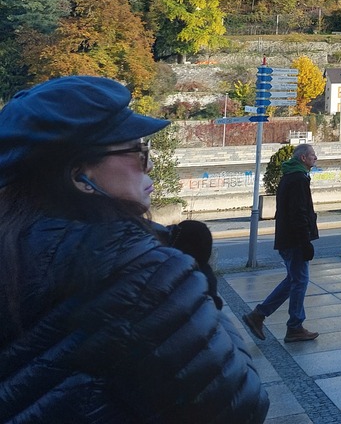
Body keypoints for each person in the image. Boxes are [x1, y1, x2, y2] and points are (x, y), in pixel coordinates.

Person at [0, 75, 269, 424]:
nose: (150, 165)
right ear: (80, 175)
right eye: (138, 152)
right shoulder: (146, 274)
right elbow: (242, 406)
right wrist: (200, 285)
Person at [243, 143, 321, 343]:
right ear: (303, 158)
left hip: (288, 238)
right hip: (294, 240)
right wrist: (305, 242)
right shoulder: (298, 179)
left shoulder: (291, 176)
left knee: (293, 281)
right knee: (300, 281)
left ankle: (258, 316)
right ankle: (294, 327)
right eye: (313, 155)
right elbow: (299, 212)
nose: (316, 158)